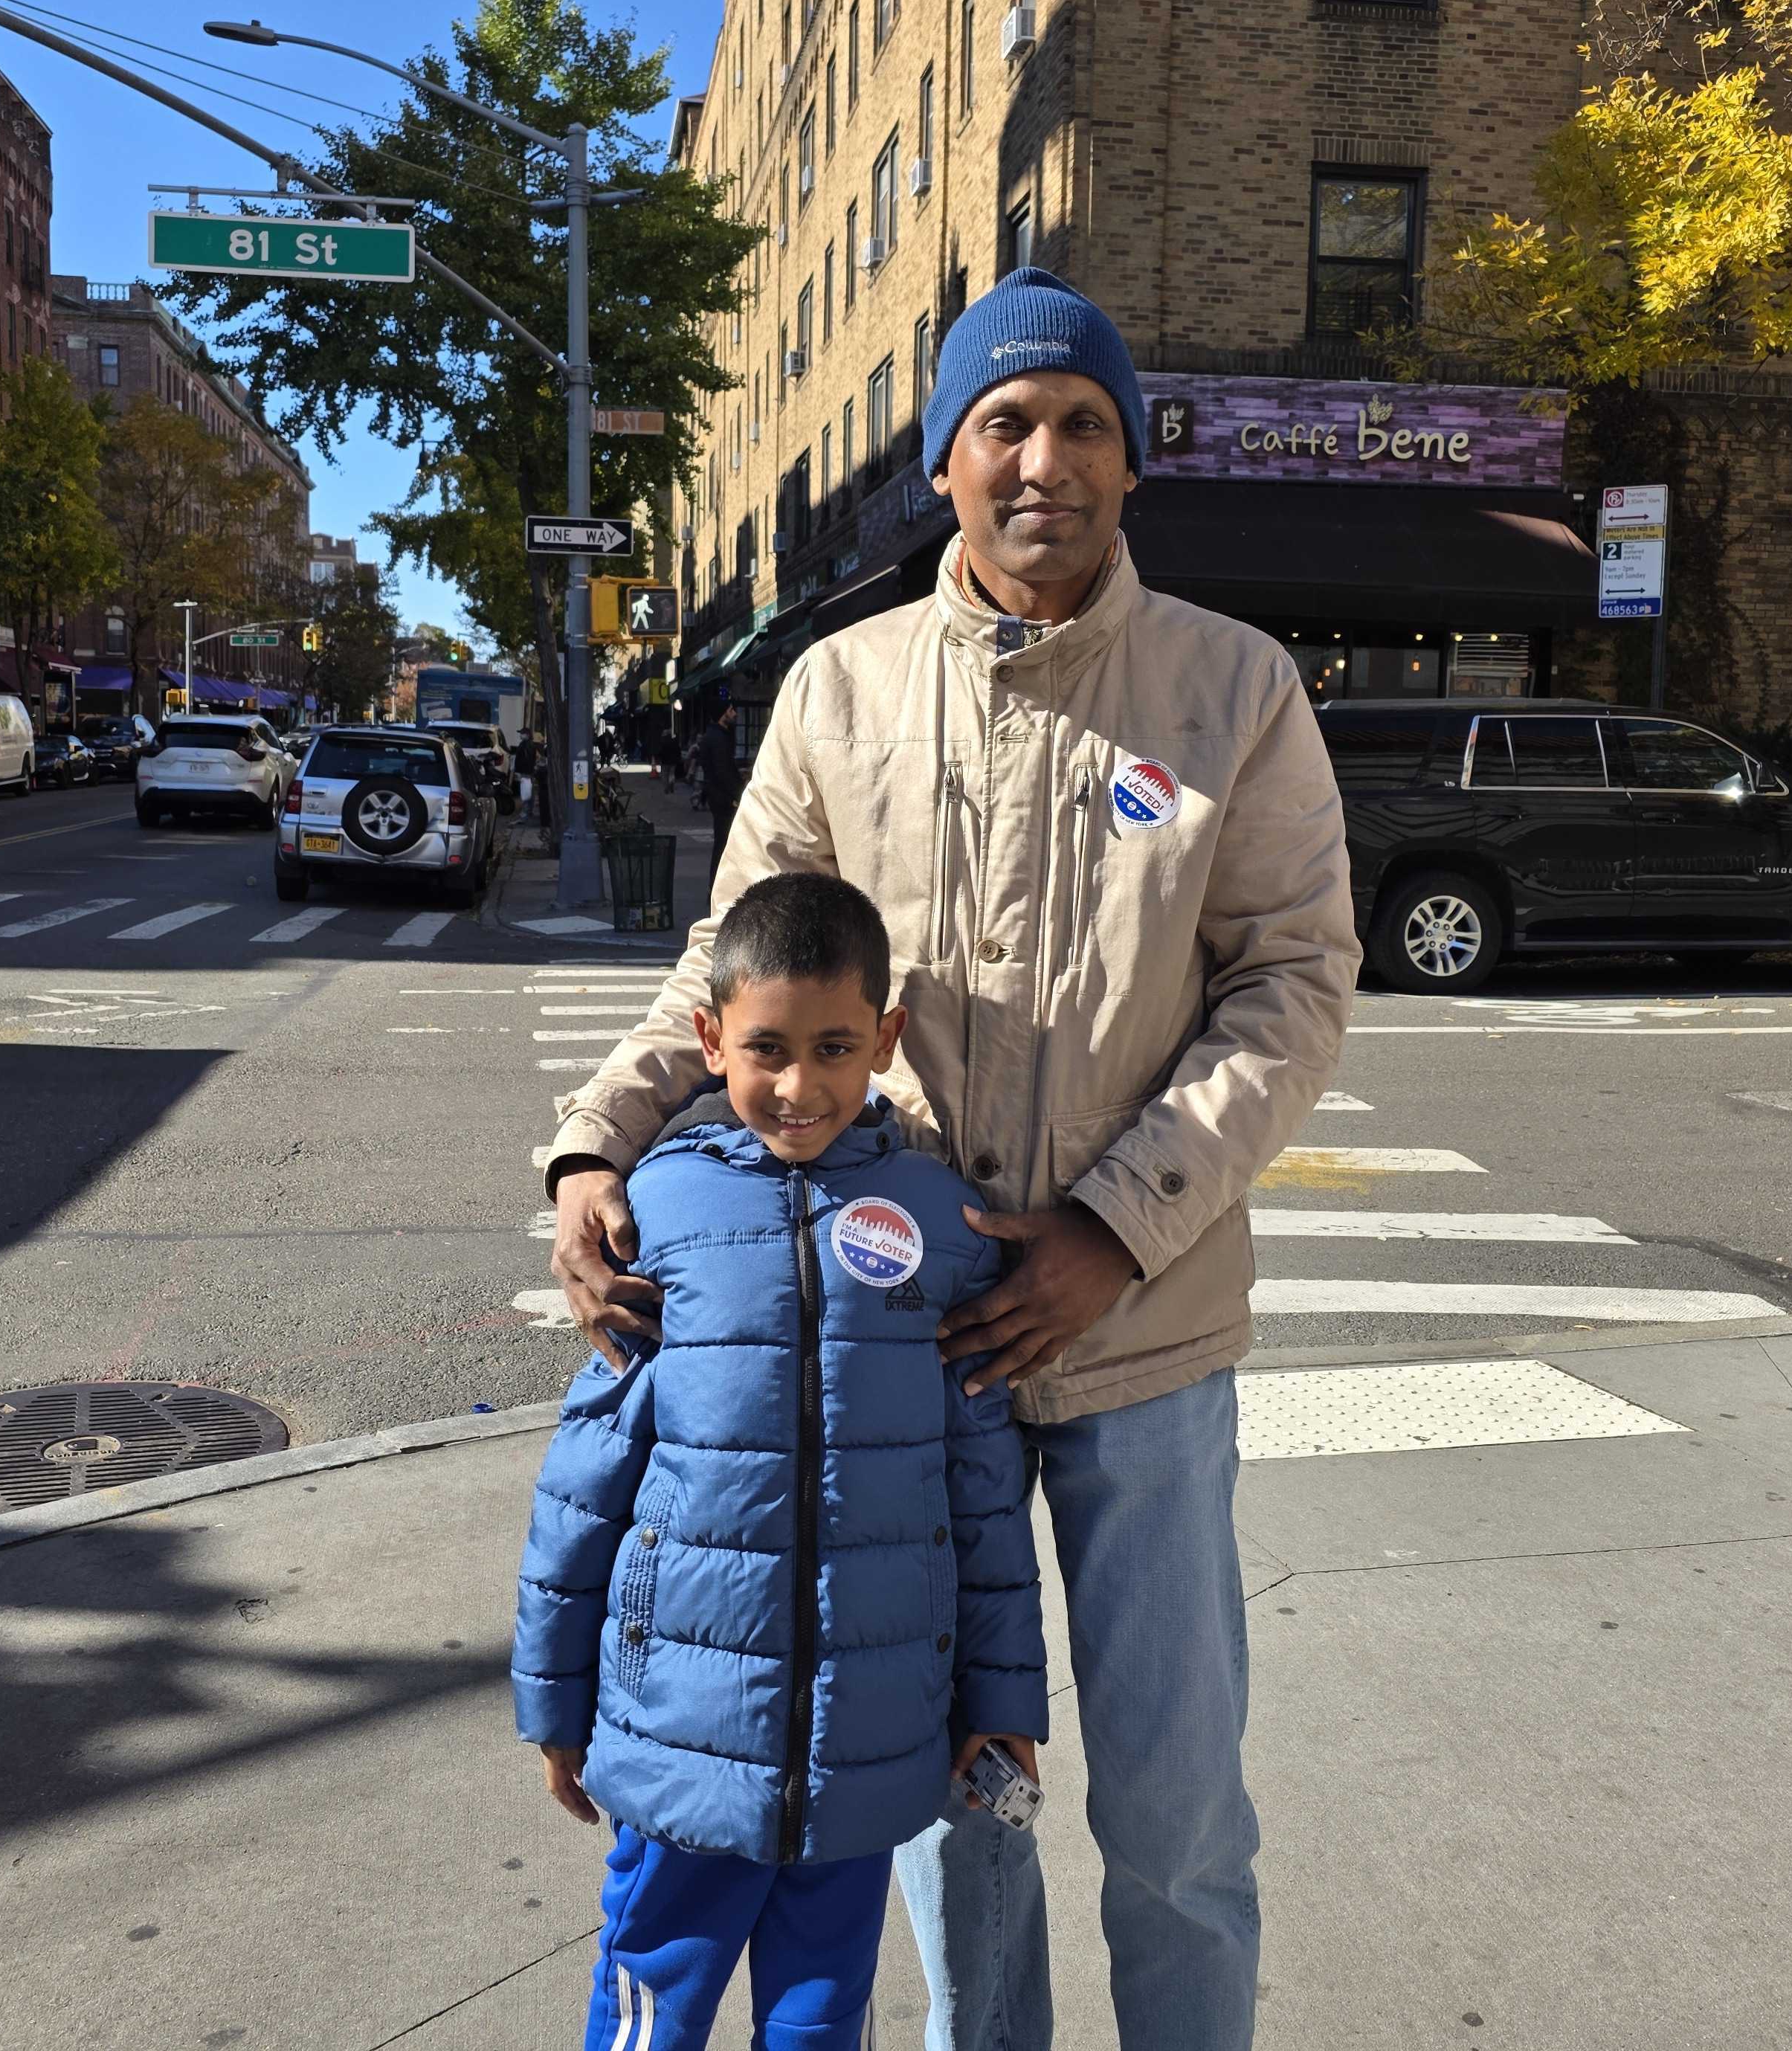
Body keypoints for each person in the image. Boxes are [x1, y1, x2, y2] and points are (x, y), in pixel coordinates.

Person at [542, 267, 1358, 2051]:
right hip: (900, 1354)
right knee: (951, 1810)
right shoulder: (836, 692)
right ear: (947, 462)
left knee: (1170, 1807)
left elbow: (1292, 988)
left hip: (1135, 1344)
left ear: (1131, 462)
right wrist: (590, 1143)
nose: (1043, 455)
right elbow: (727, 964)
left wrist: (1109, 1228)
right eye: (1004, 420)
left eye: (1082, 421)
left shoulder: (1233, 689)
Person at [515, 872, 1049, 2051]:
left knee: (822, 2016)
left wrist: (1002, 1699)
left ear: (887, 1041)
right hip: (679, 1739)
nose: (800, 1084)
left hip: (869, 1747)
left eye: (836, 1046)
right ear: (710, 1039)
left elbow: (982, 1498)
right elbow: (585, 1482)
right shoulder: (656, 1216)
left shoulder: (935, 1225)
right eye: (765, 1048)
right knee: (656, 1999)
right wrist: (556, 1702)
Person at [694, 704, 743, 861]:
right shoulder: (718, 738)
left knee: (724, 843)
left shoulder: (716, 735)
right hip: (723, 798)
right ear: (722, 715)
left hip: (719, 795)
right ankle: (717, 882)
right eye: (730, 710)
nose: (734, 713)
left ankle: (717, 882)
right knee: (724, 844)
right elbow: (723, 771)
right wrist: (737, 796)